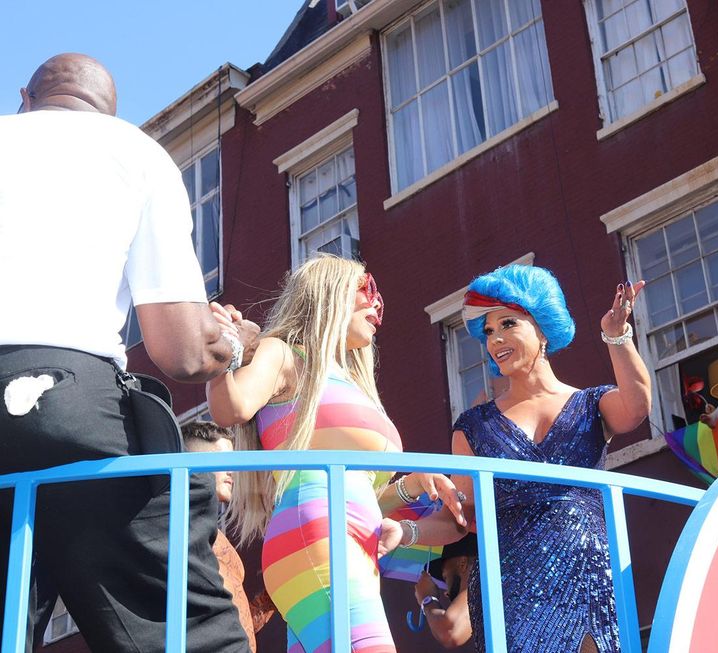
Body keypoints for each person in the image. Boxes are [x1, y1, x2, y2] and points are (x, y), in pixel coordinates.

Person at [0, 54, 257, 651]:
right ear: (111, 114)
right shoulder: (135, 153)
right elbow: (182, 353)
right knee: (180, 629)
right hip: (65, 402)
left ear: (25, 98)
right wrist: (233, 344)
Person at [206, 254, 466, 653]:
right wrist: (222, 351)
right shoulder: (285, 354)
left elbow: (358, 497)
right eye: (366, 288)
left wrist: (412, 486)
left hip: (355, 544)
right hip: (315, 535)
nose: (377, 303)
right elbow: (232, 408)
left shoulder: (351, 382)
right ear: (329, 293)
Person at [449, 264, 652, 653]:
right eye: (488, 331)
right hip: (512, 590)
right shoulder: (473, 427)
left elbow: (637, 408)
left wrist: (616, 335)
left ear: (542, 328)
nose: (495, 338)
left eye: (508, 323)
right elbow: (463, 514)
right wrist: (406, 530)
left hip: (590, 577)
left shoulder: (591, 404)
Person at [181, 421, 277, 652]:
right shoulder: (174, 526)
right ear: (192, 463)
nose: (232, 471)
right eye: (223, 461)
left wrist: (273, 595)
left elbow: (235, 621)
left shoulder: (209, 530)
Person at [413, 533, 477, 649]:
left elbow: (450, 632)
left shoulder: (483, 578)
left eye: (446, 578)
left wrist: (427, 599)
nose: (446, 593)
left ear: (462, 564)